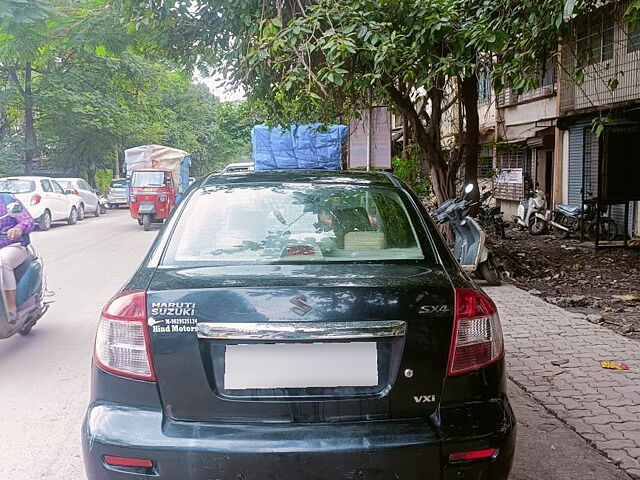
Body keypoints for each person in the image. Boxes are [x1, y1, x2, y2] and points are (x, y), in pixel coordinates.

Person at [0, 194, 35, 322]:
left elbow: (28, 221)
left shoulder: (8, 201)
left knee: (2, 261)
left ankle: (10, 307)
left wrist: (18, 228)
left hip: (12, 246)